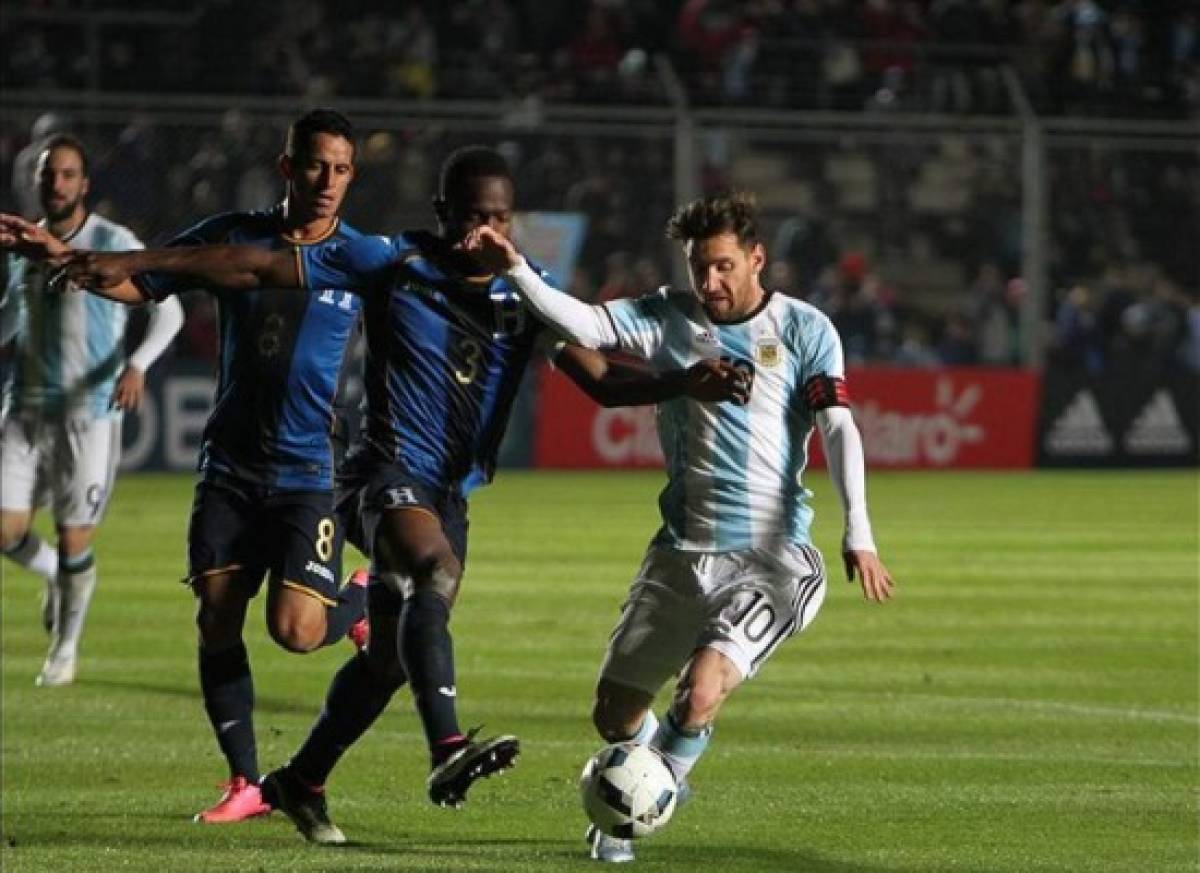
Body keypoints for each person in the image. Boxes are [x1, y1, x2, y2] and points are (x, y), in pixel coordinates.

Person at [47, 145, 752, 844]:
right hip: (382, 471)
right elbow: (254, 264)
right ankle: (447, 748)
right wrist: (141, 266)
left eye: (501, 219)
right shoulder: (393, 262)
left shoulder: (523, 286)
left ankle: (302, 780)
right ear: (444, 213)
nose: (488, 233)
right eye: (474, 217)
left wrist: (683, 380)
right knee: (431, 573)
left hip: (449, 491)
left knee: (387, 659)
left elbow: (601, 380)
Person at [464, 190, 895, 862]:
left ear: (757, 259)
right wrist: (515, 266)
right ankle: (658, 780)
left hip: (772, 558)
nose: (710, 281)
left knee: (701, 688)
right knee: (614, 714)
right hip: (680, 551)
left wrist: (857, 529)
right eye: (700, 267)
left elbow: (838, 426)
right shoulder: (667, 314)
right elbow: (580, 320)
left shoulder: (807, 329)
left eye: (723, 266)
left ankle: (626, 814)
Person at [1, 108, 372, 824]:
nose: (328, 181)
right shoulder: (230, 233)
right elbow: (141, 286)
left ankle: (362, 596)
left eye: (342, 169)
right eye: (316, 165)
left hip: (306, 469)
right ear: (286, 165)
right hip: (231, 463)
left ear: (352, 176)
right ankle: (247, 782)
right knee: (215, 618)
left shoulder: (361, 257)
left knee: (296, 630)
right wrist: (60, 260)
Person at [0, 133, 184, 689]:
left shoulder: (111, 240)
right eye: (48, 175)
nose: (56, 183)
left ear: (84, 183)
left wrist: (138, 365)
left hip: (89, 413)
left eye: (67, 174)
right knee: (6, 531)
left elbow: (168, 311)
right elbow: (13, 313)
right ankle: (58, 575)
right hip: (24, 407)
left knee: (74, 534)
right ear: (36, 181)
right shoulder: (23, 246)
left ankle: (65, 650)